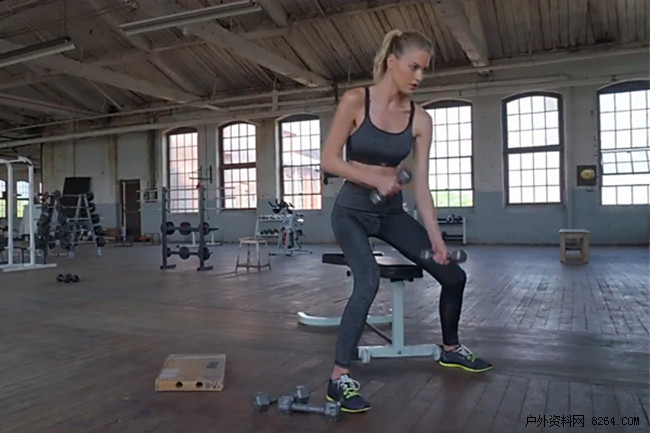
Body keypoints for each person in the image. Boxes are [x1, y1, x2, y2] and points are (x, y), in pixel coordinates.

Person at [320, 29, 492, 414]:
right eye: (413, 67)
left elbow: (422, 188)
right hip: (350, 212)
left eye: (424, 70)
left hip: (391, 214)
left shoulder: (421, 119)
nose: (419, 77)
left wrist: (437, 241)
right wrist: (375, 179)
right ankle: (338, 378)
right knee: (367, 281)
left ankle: (451, 349)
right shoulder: (355, 101)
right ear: (392, 61)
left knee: (453, 277)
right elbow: (329, 160)